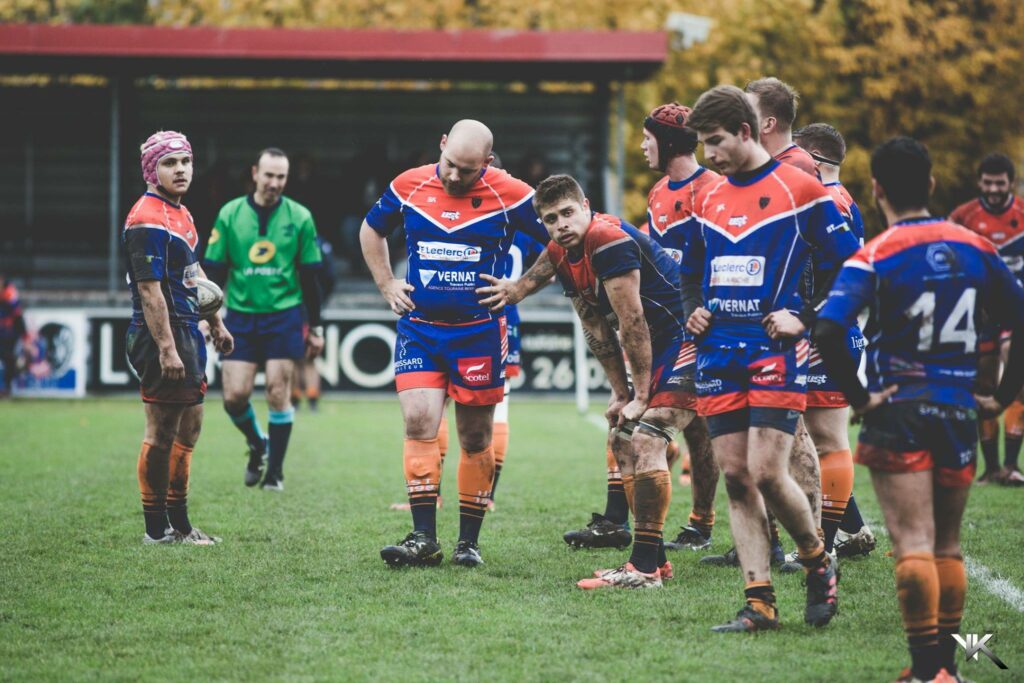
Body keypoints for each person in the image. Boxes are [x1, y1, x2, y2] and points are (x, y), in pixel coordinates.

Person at [815, 136, 1024, 683]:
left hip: (898, 410)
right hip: (958, 409)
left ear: (877, 188)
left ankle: (928, 668)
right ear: (931, 184)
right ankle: (947, 669)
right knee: (946, 545)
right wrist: (1002, 399)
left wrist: (859, 400)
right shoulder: (976, 247)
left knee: (910, 544)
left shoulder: (875, 253)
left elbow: (829, 329)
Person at [682, 85, 859, 631]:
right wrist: (694, 309)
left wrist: (805, 316)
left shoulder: (803, 189)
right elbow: (690, 268)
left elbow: (851, 271)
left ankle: (815, 562)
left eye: (716, 142)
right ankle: (758, 602)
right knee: (735, 476)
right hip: (718, 352)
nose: (709, 155)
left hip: (775, 349)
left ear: (746, 131)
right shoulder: (706, 196)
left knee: (766, 471)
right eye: (703, 145)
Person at [361, 119, 551, 568]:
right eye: (449, 164)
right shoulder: (408, 184)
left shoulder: (513, 192)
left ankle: (469, 541)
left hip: (479, 331)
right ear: (441, 145)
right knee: (419, 421)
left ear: (486, 163)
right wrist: (387, 283)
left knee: (474, 435)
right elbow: (372, 230)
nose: (453, 177)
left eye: (466, 171)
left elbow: (559, 241)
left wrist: (519, 288)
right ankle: (423, 536)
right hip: (420, 327)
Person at [515, 174, 697, 588]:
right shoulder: (562, 254)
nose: (561, 224)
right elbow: (597, 329)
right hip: (660, 348)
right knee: (621, 438)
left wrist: (643, 393)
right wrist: (621, 394)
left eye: (567, 213)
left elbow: (631, 321)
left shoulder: (606, 239)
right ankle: (655, 560)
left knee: (651, 438)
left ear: (586, 206)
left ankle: (645, 570)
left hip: (691, 339)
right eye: (550, 219)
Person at [124, 130, 233, 545]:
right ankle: (158, 530)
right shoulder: (146, 219)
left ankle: (180, 524)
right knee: (162, 430)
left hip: (189, 329)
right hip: (161, 335)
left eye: (186, 161)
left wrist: (217, 322)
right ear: (152, 170)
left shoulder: (180, 213)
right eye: (170, 163)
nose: (181, 170)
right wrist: (167, 348)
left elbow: (195, 275)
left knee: (190, 427)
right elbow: (150, 291)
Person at [203, 148, 325, 491]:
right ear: (255, 173)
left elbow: (310, 277)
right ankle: (258, 444)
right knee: (234, 397)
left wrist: (315, 327)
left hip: (284, 316)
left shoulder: (300, 217)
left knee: (276, 390)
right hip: (240, 317)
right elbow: (212, 272)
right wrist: (207, 319)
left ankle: (275, 474)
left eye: (281, 177)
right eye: (269, 175)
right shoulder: (230, 214)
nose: (274, 183)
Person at [792, 123, 878, 558]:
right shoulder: (840, 199)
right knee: (806, 437)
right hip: (827, 328)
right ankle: (854, 528)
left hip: (827, 330)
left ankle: (824, 542)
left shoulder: (827, 199)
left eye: (796, 156)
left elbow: (840, 271)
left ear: (815, 162)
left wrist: (808, 318)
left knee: (825, 440)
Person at [640, 102, 721, 552]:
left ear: (667, 141)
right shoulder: (657, 192)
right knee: (697, 430)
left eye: (648, 137)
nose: (641, 145)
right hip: (666, 327)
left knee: (674, 428)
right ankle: (701, 525)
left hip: (704, 328)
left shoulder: (712, 189)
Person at [949, 152, 1024, 486]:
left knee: (1017, 379)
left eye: (1000, 182)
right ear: (980, 182)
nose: (994, 188)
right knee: (984, 385)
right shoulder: (962, 217)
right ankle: (991, 468)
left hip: (1015, 310)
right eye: (988, 182)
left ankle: (1012, 465)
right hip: (978, 313)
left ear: (1011, 182)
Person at [292, 235, 337, 412]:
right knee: (310, 359)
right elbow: (331, 277)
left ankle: (296, 399)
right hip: (312, 309)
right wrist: (320, 299)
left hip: (294, 308)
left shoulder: (293, 241)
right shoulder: (322, 244)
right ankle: (312, 400)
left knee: (296, 359)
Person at [0, 274, 27, 395]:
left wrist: (24, 334)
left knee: (9, 359)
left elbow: (18, 316)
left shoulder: (10, 293)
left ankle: (8, 388)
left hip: (9, 334)